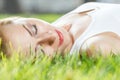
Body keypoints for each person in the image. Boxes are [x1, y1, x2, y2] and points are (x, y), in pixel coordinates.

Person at [0, 2, 120, 58]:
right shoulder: (93, 47)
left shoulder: (59, 24)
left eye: (34, 29)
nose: (50, 36)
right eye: (40, 52)